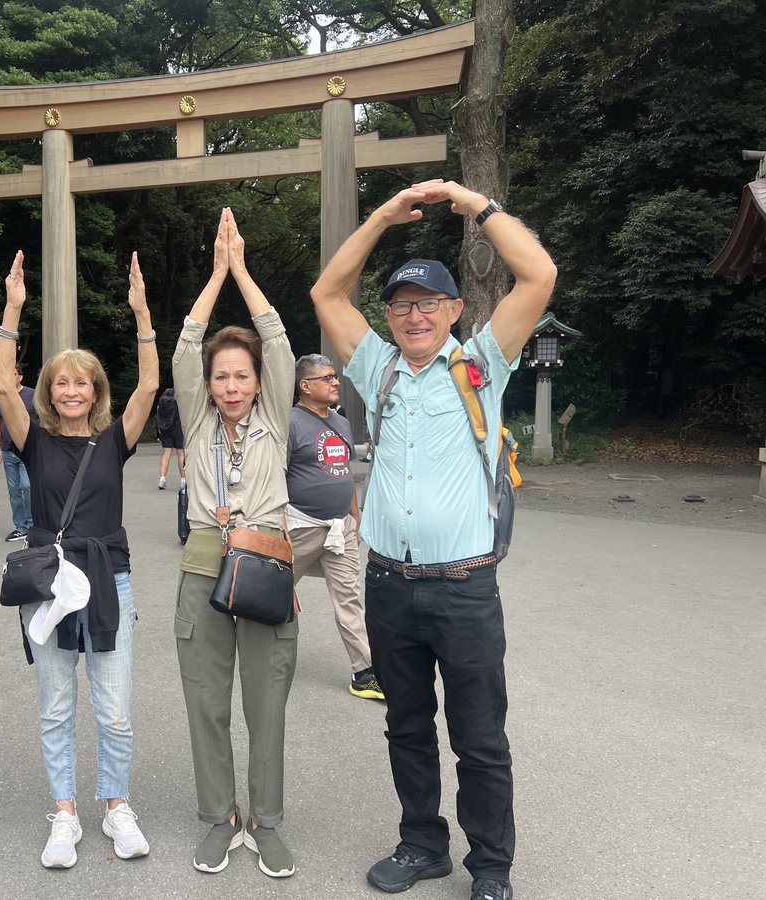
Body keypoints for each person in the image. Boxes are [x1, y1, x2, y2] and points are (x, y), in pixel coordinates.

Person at [310, 179, 557, 900]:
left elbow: (538, 273)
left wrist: (472, 203)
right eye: (400, 305)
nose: (414, 315)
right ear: (387, 317)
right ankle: (422, 843)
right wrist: (384, 216)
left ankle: (491, 867)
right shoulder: (378, 367)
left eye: (428, 303)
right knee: (407, 727)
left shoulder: (479, 364)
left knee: (479, 739)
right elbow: (329, 294)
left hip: (465, 585)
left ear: (454, 310)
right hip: (387, 583)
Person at [0, 249, 156, 869]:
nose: (70, 390)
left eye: (80, 381)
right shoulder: (31, 441)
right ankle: (64, 814)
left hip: (109, 577)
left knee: (113, 711)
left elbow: (150, 385)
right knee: (56, 706)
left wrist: (142, 315)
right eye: (60, 381)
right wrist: (13, 310)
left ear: (95, 391)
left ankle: (116, 805)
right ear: (50, 390)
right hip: (51, 580)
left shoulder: (115, 440)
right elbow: (3, 384)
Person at [172, 208, 297, 879]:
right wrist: (213, 273)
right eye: (221, 376)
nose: (229, 386)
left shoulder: (276, 414)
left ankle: (266, 822)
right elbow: (185, 346)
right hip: (203, 559)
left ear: (257, 382)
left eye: (240, 376)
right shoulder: (197, 419)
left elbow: (275, 340)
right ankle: (220, 816)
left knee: (267, 700)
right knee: (206, 699)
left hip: (269, 558)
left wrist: (242, 271)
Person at [285, 353, 382, 700]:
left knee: (350, 599)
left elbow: (345, 474)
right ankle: (258, 654)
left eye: (334, 376)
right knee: (273, 593)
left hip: (340, 527)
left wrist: (354, 516)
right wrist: (279, 527)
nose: (335, 382)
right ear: (305, 386)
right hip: (299, 527)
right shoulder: (290, 423)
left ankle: (364, 672)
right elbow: (275, 479)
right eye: (326, 378)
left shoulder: (339, 423)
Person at [0, 366, 36, 542]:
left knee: (27, 486)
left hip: (28, 449)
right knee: (14, 491)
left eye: (13, 374)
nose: (9, 377)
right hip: (8, 451)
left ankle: (33, 526)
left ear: (20, 377)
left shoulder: (32, 395)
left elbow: (43, 421)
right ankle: (20, 527)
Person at [155, 386, 186, 490]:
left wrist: (159, 430)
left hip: (165, 429)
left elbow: (158, 416)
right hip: (178, 429)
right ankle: (183, 480)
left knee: (166, 453)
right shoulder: (179, 400)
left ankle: (162, 478)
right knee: (181, 454)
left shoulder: (162, 402)